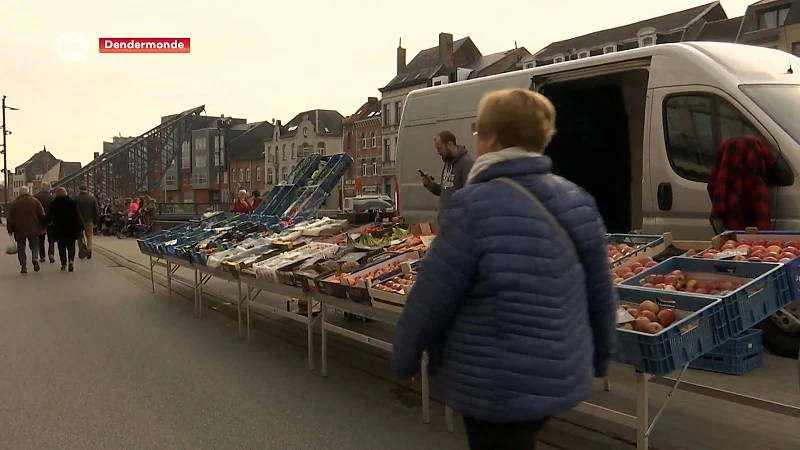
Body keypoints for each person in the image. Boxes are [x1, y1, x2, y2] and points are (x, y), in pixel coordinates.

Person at [392, 89, 616, 450]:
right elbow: (600, 291)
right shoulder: (577, 200)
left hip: (492, 382)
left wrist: (404, 357)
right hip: (559, 373)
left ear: (492, 139)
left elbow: (431, 295)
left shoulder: (473, 206)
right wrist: (601, 355)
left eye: (477, 133)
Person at [707, 135, 776, 234]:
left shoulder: (721, 187)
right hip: (753, 246)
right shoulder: (758, 188)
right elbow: (762, 234)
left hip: (732, 245)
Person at [419, 130, 474, 223]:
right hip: (445, 223)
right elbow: (445, 191)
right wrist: (429, 184)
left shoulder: (466, 164)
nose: (438, 152)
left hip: (456, 224)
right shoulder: (448, 163)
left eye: (439, 148)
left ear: (449, 145)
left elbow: (469, 197)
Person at [6, 186, 46, 273]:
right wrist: (43, 226)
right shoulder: (35, 201)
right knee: (35, 246)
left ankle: (23, 266)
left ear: (19, 193)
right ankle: (35, 259)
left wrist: (10, 229)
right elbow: (42, 215)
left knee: (21, 248)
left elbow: (10, 218)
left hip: (19, 229)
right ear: (28, 192)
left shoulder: (14, 203)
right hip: (34, 228)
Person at [48, 187, 85, 272]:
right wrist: (81, 227)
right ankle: (71, 261)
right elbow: (77, 216)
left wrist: (44, 224)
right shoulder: (72, 203)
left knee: (61, 247)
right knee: (71, 246)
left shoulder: (54, 204)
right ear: (66, 193)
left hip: (59, 229)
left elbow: (49, 217)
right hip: (71, 228)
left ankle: (64, 263)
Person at [74, 185, 100, 259]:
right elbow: (96, 211)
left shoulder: (76, 199)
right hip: (89, 220)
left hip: (78, 221)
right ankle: (89, 250)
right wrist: (96, 221)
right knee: (89, 235)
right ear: (87, 190)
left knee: (79, 236)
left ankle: (82, 250)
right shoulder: (92, 199)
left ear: (79, 190)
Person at [34, 183, 56, 263]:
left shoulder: (36, 198)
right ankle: (51, 254)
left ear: (42, 188)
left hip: (40, 221)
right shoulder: (53, 198)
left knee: (41, 240)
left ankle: (42, 256)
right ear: (49, 188)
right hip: (51, 221)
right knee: (51, 239)